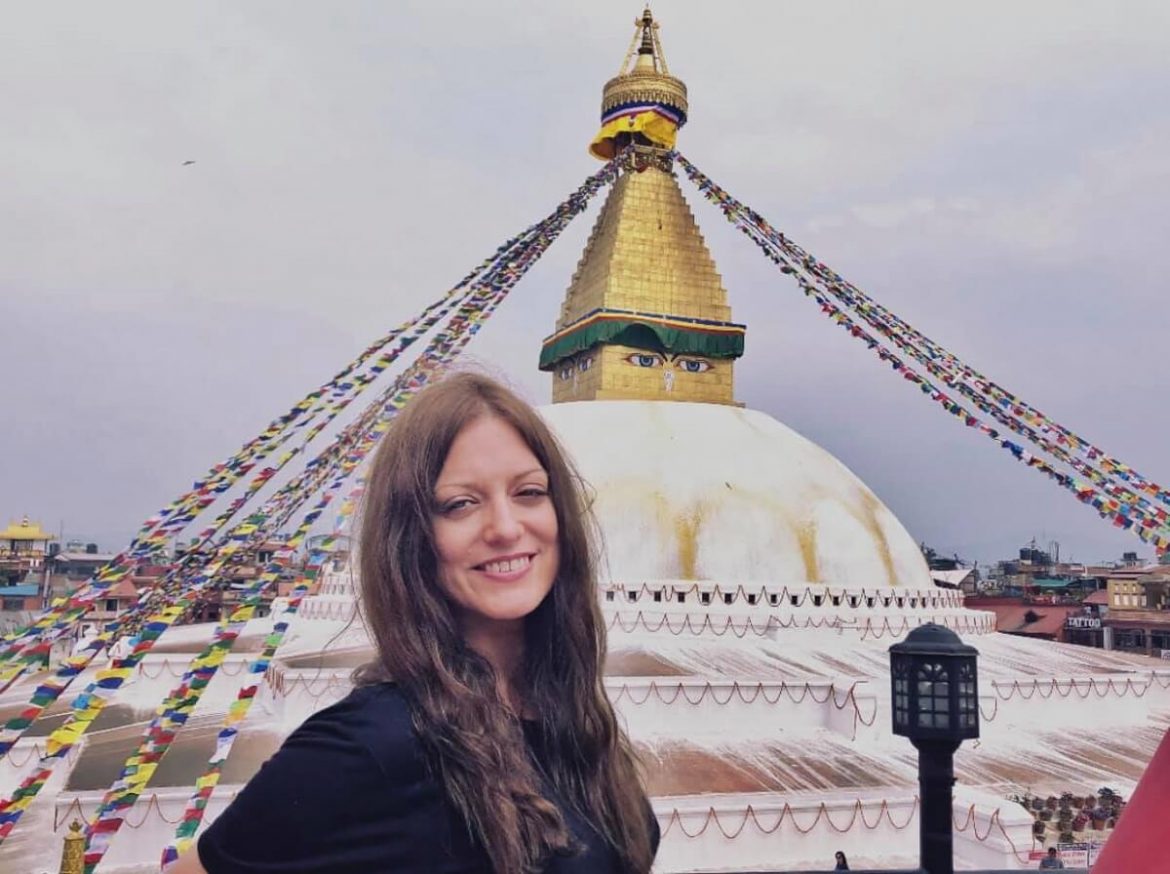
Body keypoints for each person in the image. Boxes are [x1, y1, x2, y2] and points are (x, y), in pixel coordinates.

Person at [170, 372, 659, 873]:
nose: (506, 528)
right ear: (412, 538)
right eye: (460, 504)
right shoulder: (375, 742)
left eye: (529, 492)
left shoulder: (573, 722)